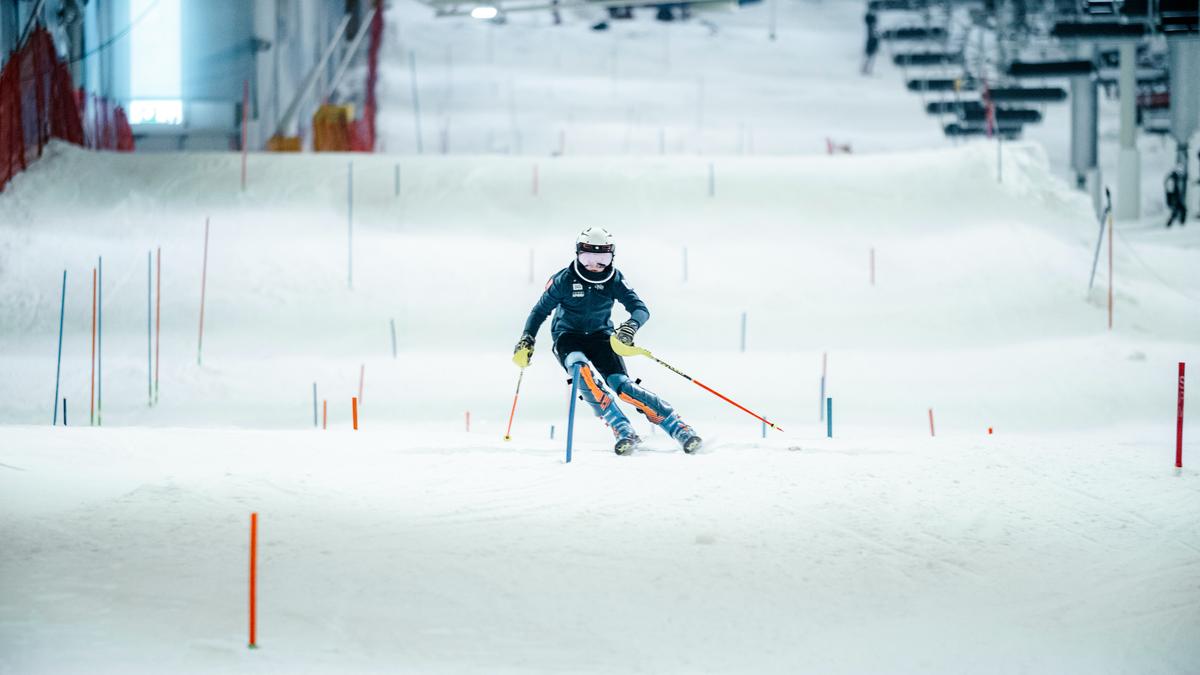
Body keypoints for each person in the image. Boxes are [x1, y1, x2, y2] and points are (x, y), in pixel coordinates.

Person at [513, 227, 702, 455]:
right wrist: (527, 338)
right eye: (588, 258)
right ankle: (621, 428)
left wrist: (630, 327)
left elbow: (640, 309)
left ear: (611, 257)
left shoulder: (614, 279)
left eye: (601, 259)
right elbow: (539, 311)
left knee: (623, 387)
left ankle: (677, 426)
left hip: (601, 336)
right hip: (568, 337)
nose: (594, 265)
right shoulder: (564, 279)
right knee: (579, 368)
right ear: (578, 254)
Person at [862, 10, 879, 76]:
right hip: (871, 43)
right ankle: (866, 70)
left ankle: (866, 69)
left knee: (869, 57)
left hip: (871, 42)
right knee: (870, 57)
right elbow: (873, 35)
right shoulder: (871, 27)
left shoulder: (870, 27)